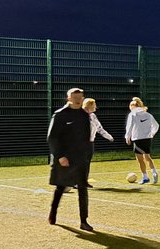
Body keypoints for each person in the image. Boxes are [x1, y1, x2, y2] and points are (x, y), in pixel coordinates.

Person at [47, 87, 94, 231]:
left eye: (80, 97)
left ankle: (84, 221)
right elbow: (52, 138)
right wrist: (60, 156)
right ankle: (53, 212)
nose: (78, 100)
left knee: (82, 188)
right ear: (68, 98)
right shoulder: (60, 115)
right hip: (65, 158)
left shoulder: (84, 115)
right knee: (61, 187)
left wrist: (86, 154)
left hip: (80, 159)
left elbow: (87, 136)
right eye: (75, 97)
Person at [124, 97, 160, 184]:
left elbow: (129, 127)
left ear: (132, 106)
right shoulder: (148, 114)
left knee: (140, 159)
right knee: (147, 157)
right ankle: (154, 173)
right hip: (147, 139)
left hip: (138, 139)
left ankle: (145, 177)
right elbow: (156, 125)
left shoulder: (132, 114)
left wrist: (127, 137)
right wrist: (152, 134)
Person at [82, 98, 114, 189]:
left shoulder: (93, 116)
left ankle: (84, 181)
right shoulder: (79, 115)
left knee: (87, 163)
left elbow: (99, 128)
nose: (96, 106)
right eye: (94, 105)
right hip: (80, 143)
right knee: (80, 163)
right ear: (90, 105)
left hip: (90, 143)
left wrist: (108, 136)